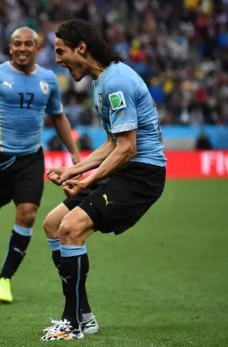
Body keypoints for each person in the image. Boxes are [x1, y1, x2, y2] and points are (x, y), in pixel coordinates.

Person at [40, 19, 166, 341]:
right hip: (126, 167)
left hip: (142, 174)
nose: (57, 60)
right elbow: (112, 142)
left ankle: (73, 323)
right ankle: (82, 314)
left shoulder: (117, 82)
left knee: (71, 228)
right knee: (54, 223)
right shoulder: (101, 81)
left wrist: (86, 180)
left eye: (60, 51)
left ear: (81, 48)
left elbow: (127, 148)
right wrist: (73, 171)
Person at [0, 27, 81, 303]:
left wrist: (74, 154)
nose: (23, 48)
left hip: (30, 158)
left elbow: (59, 117)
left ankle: (4, 279)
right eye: (17, 44)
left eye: (29, 44)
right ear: (10, 48)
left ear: (38, 48)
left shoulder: (48, 80)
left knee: (27, 214)